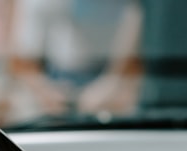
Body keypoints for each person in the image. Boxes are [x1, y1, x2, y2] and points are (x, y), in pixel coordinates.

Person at [9, 0, 143, 118]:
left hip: (111, 83)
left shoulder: (131, 6)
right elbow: (23, 63)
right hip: (59, 82)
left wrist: (113, 83)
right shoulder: (40, 3)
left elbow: (133, 64)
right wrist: (46, 94)